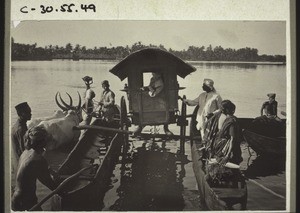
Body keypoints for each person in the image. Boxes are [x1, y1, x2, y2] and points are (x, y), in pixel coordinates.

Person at [11, 126, 59, 211]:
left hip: (16, 197)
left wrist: (49, 170)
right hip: (26, 201)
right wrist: (63, 192)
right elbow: (49, 183)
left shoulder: (26, 152)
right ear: (43, 142)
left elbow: (33, 171)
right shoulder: (38, 159)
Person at [203, 100, 243, 165]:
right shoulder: (226, 118)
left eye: (222, 108)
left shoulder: (231, 121)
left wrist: (228, 155)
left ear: (226, 109)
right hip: (222, 147)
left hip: (226, 149)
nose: (221, 109)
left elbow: (232, 139)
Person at [11, 102, 32, 173]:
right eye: (28, 112)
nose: (30, 114)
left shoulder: (16, 126)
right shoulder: (21, 129)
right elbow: (25, 150)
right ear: (21, 114)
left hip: (17, 163)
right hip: (22, 166)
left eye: (30, 111)